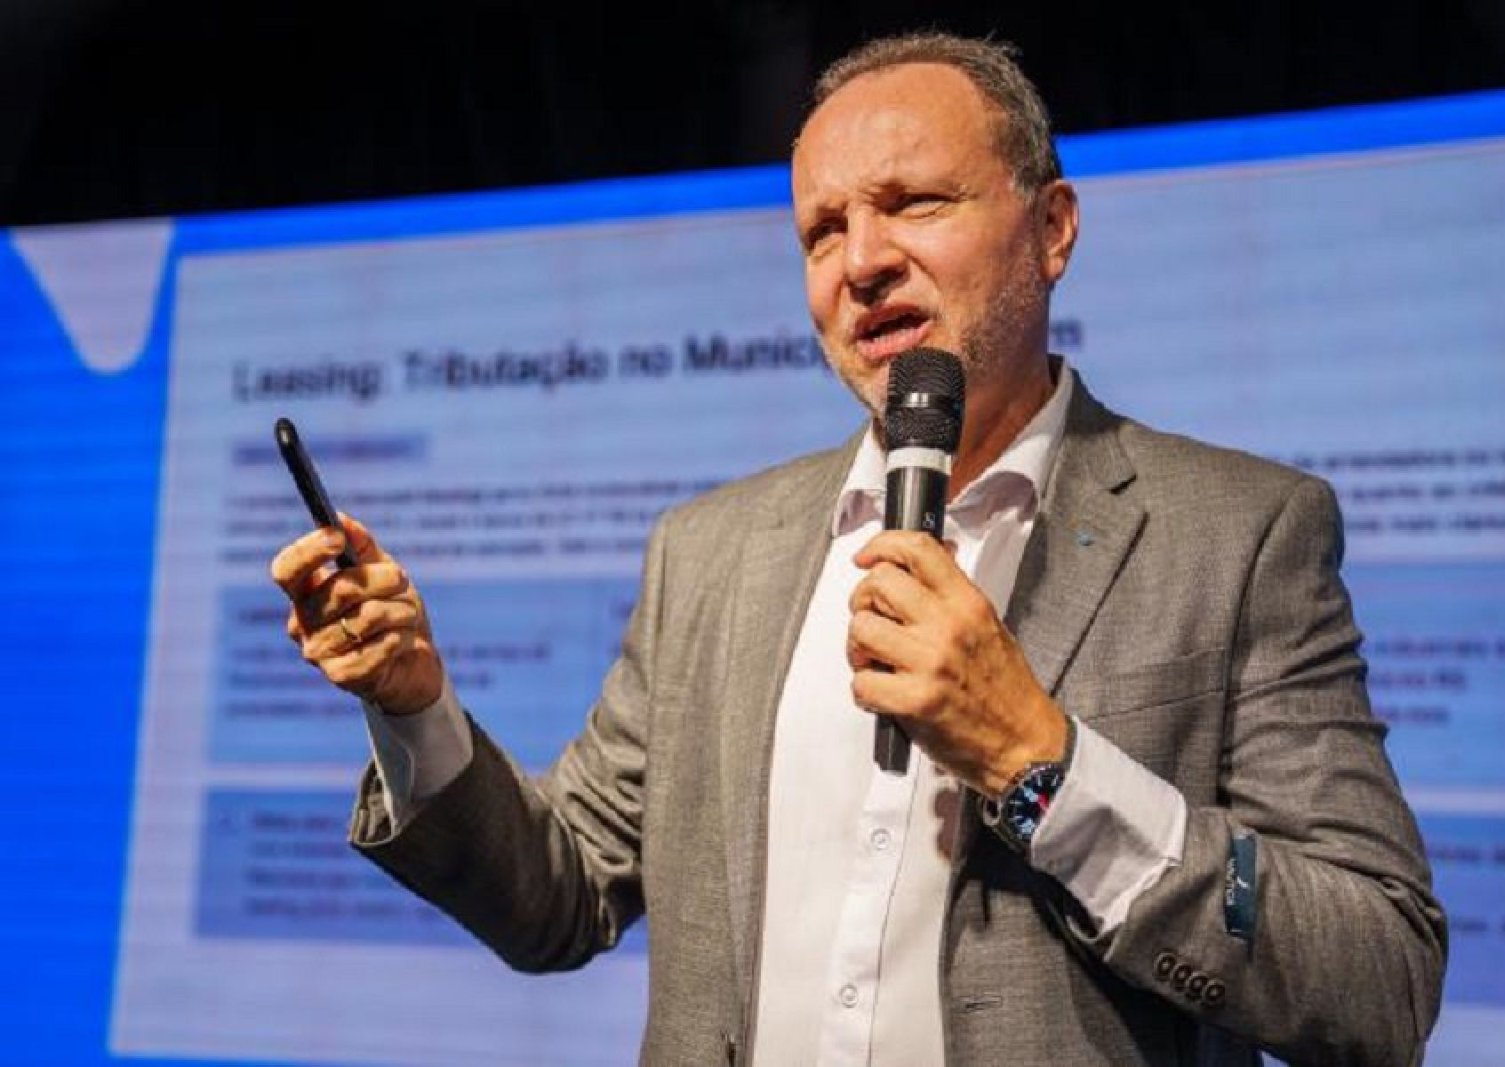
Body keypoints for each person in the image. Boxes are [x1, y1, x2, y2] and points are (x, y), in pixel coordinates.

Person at [271, 31, 1445, 1067]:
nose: (860, 260)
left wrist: (1040, 762)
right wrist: (413, 705)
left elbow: (1376, 985)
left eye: (914, 203)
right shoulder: (710, 552)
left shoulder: (1237, 533)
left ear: (1052, 228)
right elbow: (559, 892)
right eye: (822, 230)